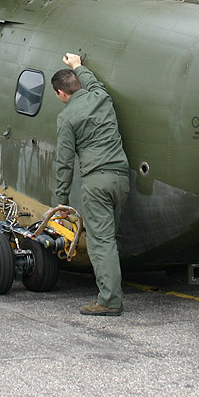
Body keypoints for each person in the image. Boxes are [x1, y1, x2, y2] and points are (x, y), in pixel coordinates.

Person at [51, 53, 130, 316]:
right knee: (111, 239)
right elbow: (92, 81)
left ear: (61, 93)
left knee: (101, 243)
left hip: (96, 182)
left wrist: (60, 203)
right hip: (121, 178)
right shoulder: (101, 98)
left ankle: (109, 301)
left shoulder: (66, 119)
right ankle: (112, 290)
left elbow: (64, 164)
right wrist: (77, 65)